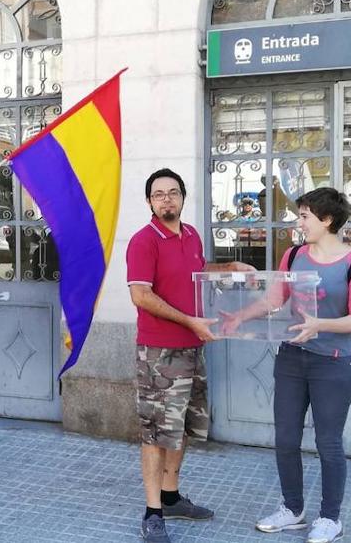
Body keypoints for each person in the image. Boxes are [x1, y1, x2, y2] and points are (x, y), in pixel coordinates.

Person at [127, 168, 254, 543]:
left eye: (173, 193)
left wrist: (228, 268)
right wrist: (189, 321)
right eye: (158, 194)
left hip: (193, 348)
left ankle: (171, 497)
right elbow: (141, 295)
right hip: (159, 353)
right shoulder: (143, 241)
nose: (166, 199)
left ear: (183, 197)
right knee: (155, 433)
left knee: (182, 428)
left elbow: (197, 273)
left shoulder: (192, 234)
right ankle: (152, 513)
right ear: (149, 201)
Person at [250, 187, 351, 543]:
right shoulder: (292, 255)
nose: (299, 222)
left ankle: (330, 518)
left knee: (328, 443)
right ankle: (293, 510)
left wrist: (319, 325)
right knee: (286, 439)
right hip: (291, 358)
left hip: (334, 363)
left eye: (304, 216)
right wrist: (235, 316)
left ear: (327, 220)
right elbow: (274, 300)